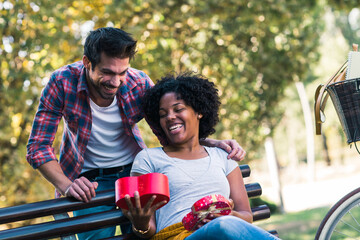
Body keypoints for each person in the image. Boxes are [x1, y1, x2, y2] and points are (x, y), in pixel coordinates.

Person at [26, 27, 246, 240]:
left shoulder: (138, 82)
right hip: (89, 181)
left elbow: (168, 128)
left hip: (134, 172)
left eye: (122, 72)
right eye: (107, 73)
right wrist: (67, 185)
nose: (116, 82)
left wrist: (210, 142)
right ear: (87, 62)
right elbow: (38, 147)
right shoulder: (62, 82)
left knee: (142, 234)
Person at [122, 72, 279, 240]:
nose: (170, 117)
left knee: (222, 225)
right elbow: (148, 229)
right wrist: (141, 224)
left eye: (178, 109)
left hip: (222, 232)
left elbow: (246, 214)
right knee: (222, 226)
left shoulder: (222, 157)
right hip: (177, 236)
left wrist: (228, 215)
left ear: (199, 112)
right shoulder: (148, 159)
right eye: (162, 114)